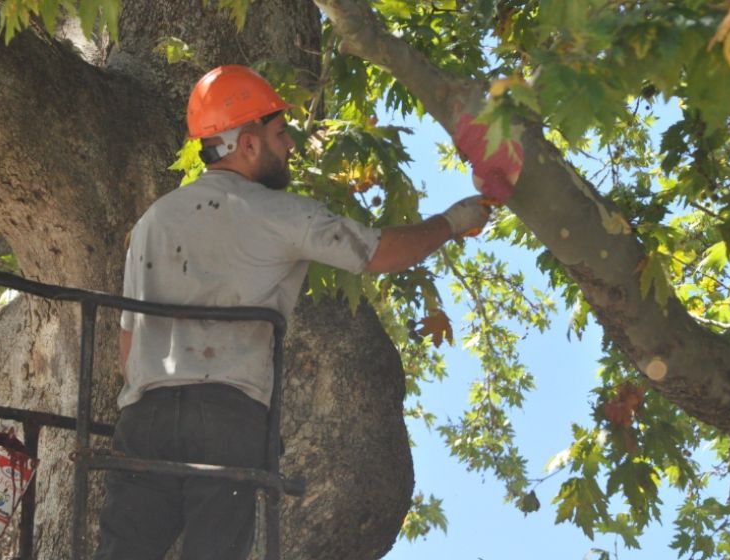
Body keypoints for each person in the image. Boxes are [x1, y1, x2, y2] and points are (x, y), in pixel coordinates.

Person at [94, 64, 491, 560]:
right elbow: (377, 252)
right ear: (248, 144)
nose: (291, 147)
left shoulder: (153, 221)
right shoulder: (276, 212)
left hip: (144, 419)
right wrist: (453, 221)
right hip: (227, 414)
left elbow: (127, 350)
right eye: (280, 134)